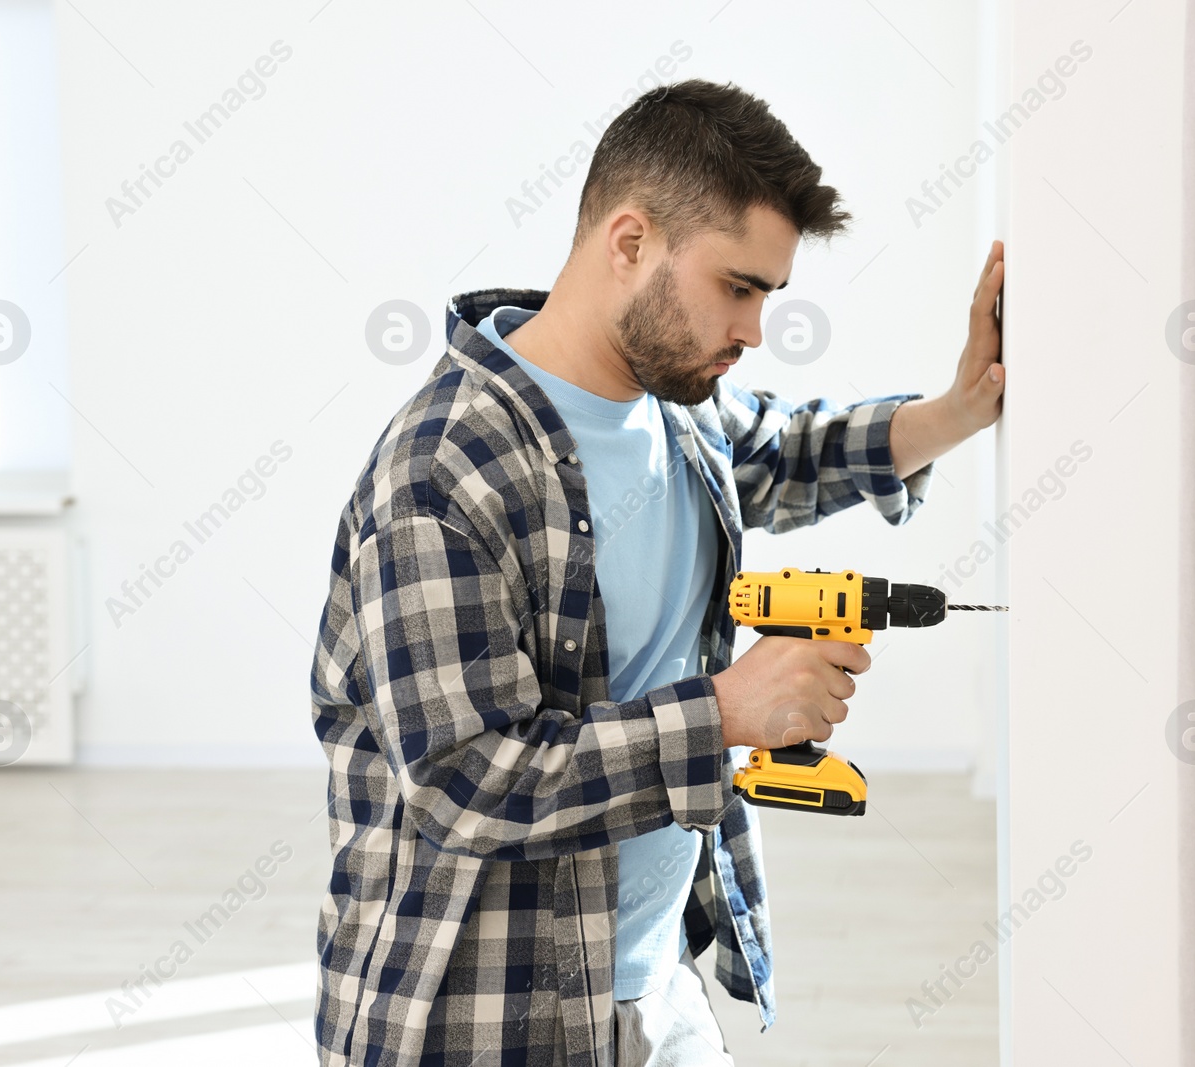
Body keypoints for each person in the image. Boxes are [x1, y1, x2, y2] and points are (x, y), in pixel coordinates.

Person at [310, 77, 1005, 1067]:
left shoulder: (675, 408)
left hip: (647, 987)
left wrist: (961, 406)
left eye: (768, 293)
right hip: (479, 1019)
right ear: (629, 242)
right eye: (738, 287)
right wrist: (724, 711)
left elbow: (784, 453)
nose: (755, 329)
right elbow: (467, 783)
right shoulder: (443, 470)